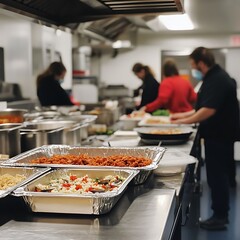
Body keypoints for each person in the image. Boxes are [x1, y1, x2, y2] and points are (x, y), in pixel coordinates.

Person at [171, 47, 240, 230]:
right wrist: (181, 116)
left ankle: (219, 216)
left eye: (193, 64)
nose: (192, 68)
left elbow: (208, 110)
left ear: (201, 63)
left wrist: (184, 121)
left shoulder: (217, 79)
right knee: (218, 175)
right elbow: (201, 107)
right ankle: (219, 214)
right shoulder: (214, 77)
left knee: (217, 177)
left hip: (219, 136)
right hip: (219, 135)